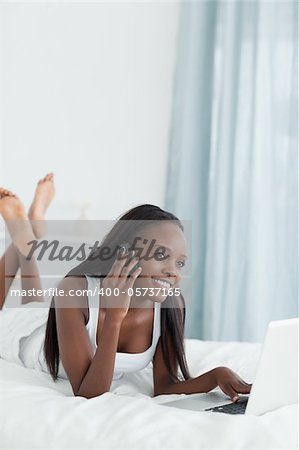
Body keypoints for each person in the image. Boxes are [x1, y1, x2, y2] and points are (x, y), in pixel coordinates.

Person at [0, 174, 252, 401]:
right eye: (161, 254)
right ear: (125, 254)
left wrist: (216, 375)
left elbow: (164, 386)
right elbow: (89, 393)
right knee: (17, 310)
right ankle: (25, 234)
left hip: (55, 321)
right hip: (29, 338)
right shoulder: (72, 290)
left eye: (181, 262)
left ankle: (29, 231)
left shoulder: (170, 305)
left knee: (34, 302)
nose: (173, 271)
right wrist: (114, 318)